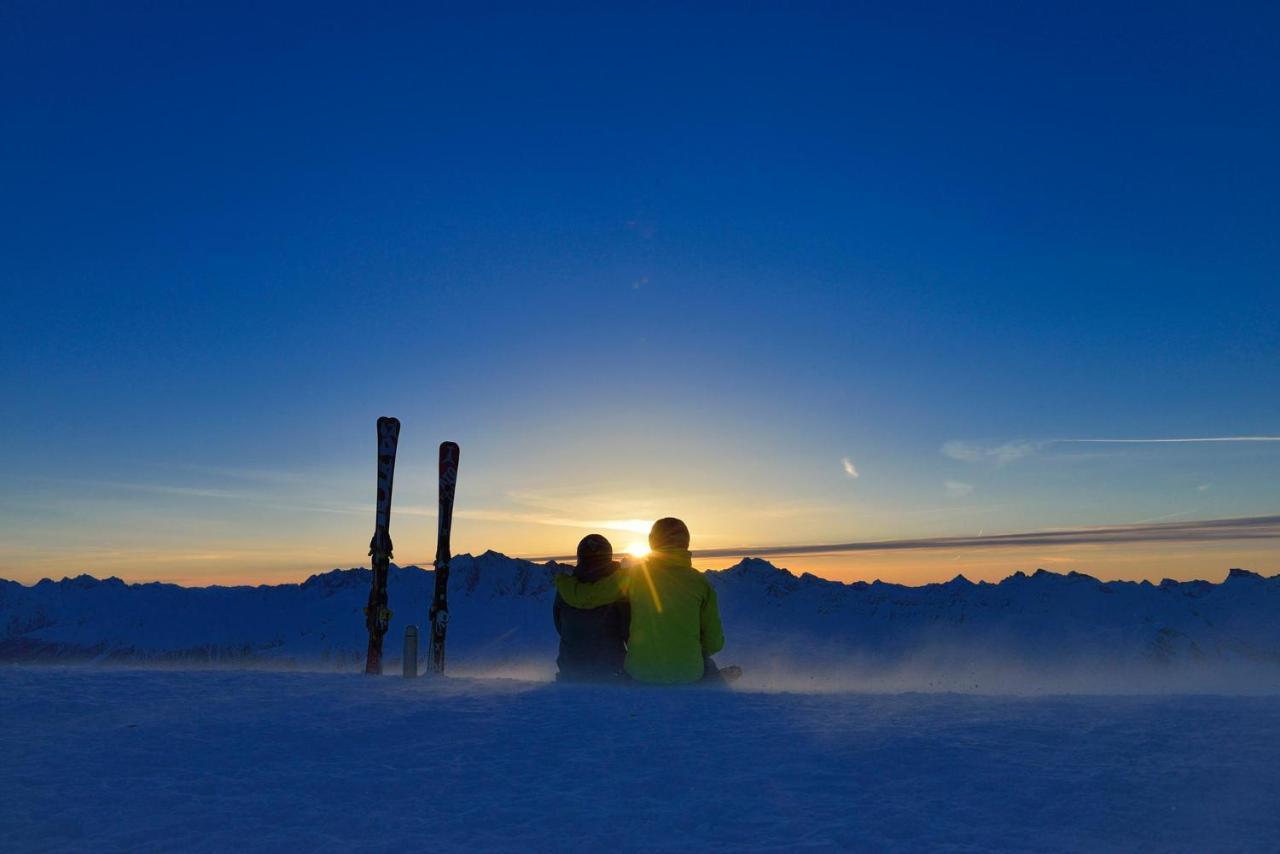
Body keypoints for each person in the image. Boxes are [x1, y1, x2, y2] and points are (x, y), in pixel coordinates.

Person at [554, 517, 726, 685]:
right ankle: (716, 679)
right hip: (689, 674)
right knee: (702, 661)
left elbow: (586, 597)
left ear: (652, 542)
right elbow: (715, 642)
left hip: (640, 674)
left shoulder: (634, 576)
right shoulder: (701, 583)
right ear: (686, 543)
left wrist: (563, 582)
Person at [553, 534, 630, 682]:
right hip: (611, 672)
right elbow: (628, 631)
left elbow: (560, 627)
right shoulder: (618, 590)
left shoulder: (565, 589)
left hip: (569, 672)